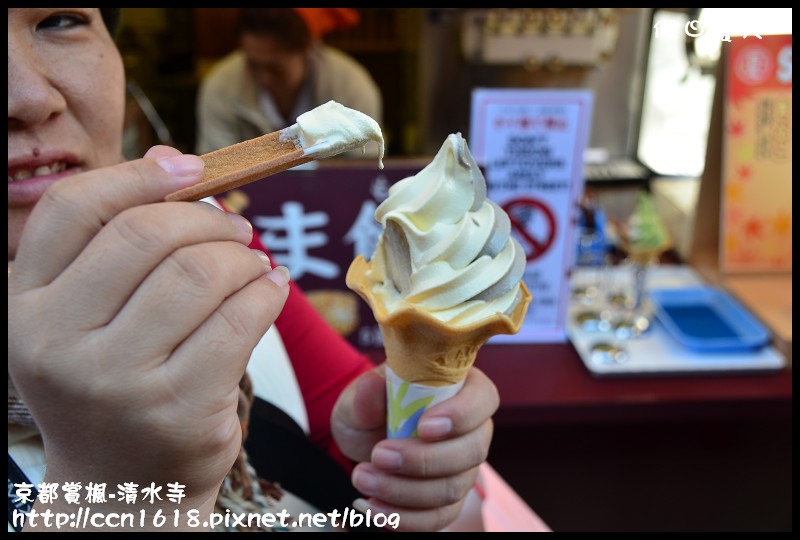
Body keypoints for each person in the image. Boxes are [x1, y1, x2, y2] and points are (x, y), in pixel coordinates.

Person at [8, 8, 496, 532]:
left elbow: (349, 417)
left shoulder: (200, 237)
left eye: (58, 20)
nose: (29, 98)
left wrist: (402, 456)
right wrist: (115, 502)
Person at [195, 8, 383, 159]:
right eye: (253, 65)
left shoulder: (351, 86)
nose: (263, 78)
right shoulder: (221, 87)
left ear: (308, 48)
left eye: (275, 68)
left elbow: (364, 170)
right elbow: (217, 167)